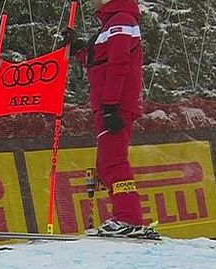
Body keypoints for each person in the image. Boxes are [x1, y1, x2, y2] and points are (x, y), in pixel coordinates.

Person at [61, 0, 158, 238]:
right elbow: (99, 59)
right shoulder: (111, 23)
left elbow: (119, 62)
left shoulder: (122, 20)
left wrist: (110, 104)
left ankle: (129, 218)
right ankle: (126, 216)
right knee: (106, 165)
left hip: (115, 104)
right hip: (107, 104)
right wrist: (77, 48)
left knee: (113, 162)